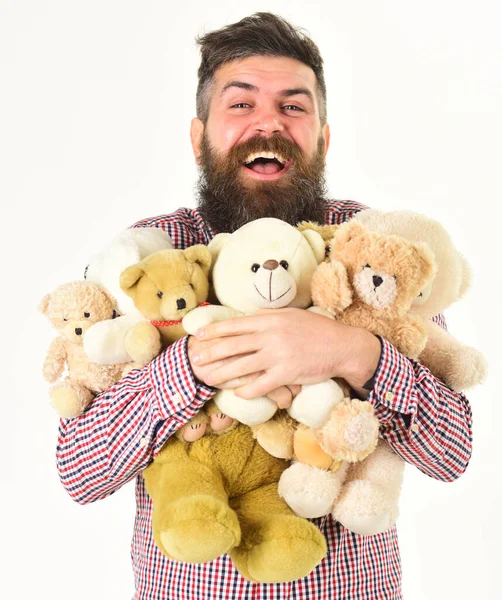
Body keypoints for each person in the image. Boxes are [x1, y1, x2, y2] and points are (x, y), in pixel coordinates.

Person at [56, 12, 472, 600]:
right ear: (199, 137)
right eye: (242, 105)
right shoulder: (144, 260)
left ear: (323, 139)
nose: (269, 123)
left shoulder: (375, 249)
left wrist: (359, 354)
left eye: (294, 107)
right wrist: (195, 366)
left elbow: (451, 452)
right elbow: (80, 471)